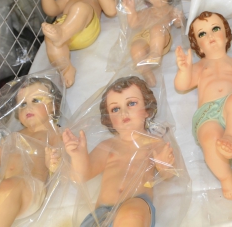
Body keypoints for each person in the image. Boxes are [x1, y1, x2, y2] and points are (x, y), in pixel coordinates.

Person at [63, 76, 176, 227]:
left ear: (147, 110)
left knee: (131, 216)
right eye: (115, 109)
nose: (124, 112)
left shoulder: (154, 142)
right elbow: (82, 175)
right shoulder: (107, 146)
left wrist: (164, 166)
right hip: (102, 214)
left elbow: (168, 174)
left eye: (131, 103)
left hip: (136, 205)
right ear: (108, 118)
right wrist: (78, 156)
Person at [174, 11, 232, 199]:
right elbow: (181, 86)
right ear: (198, 46)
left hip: (230, 106)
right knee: (210, 141)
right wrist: (184, 70)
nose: (210, 35)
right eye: (202, 34)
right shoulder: (200, 66)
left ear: (227, 35)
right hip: (207, 114)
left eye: (215, 29)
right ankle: (226, 176)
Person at [0, 77, 62, 227]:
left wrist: (54, 163)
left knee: (9, 187)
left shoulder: (55, 134)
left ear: (53, 105)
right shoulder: (13, 136)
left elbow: (65, 158)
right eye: (22, 104)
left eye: (36, 100)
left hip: (28, 188)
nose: (28, 108)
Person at [35, 0, 117, 87]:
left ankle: (62, 33)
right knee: (49, 38)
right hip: (63, 34)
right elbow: (52, 10)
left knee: (80, 7)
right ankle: (66, 69)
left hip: (86, 29)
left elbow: (112, 11)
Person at [121, 0, 183, 86]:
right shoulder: (145, 11)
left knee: (157, 28)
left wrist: (179, 17)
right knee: (135, 48)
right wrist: (131, 10)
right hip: (144, 36)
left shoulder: (170, 9)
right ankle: (147, 73)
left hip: (162, 36)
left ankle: (155, 54)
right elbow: (134, 24)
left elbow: (178, 24)